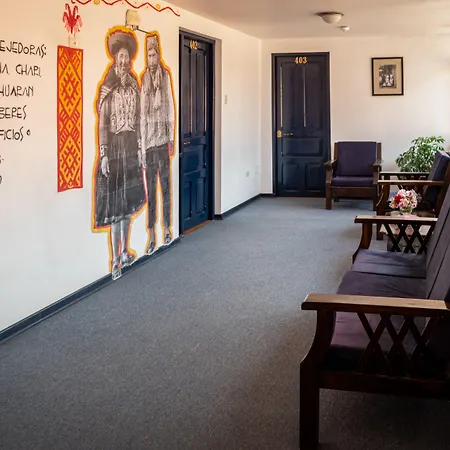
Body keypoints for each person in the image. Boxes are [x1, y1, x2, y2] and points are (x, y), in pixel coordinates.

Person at [94, 28, 146, 280]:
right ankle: (115, 260)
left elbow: (139, 118)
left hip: (130, 148)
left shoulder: (134, 85)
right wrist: (104, 153)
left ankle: (124, 252)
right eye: (121, 56)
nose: (124, 61)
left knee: (127, 206)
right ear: (116, 58)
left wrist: (140, 148)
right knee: (116, 207)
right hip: (114, 150)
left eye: (127, 57)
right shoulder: (108, 87)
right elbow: (103, 124)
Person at [140, 33, 175, 255]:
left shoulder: (165, 76)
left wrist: (171, 138)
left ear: (158, 55)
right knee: (151, 191)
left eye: (153, 55)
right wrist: (143, 148)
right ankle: (152, 233)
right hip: (150, 144)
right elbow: (142, 116)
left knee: (166, 188)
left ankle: (168, 228)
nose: (151, 59)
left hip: (162, 142)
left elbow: (170, 107)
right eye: (148, 55)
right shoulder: (144, 79)